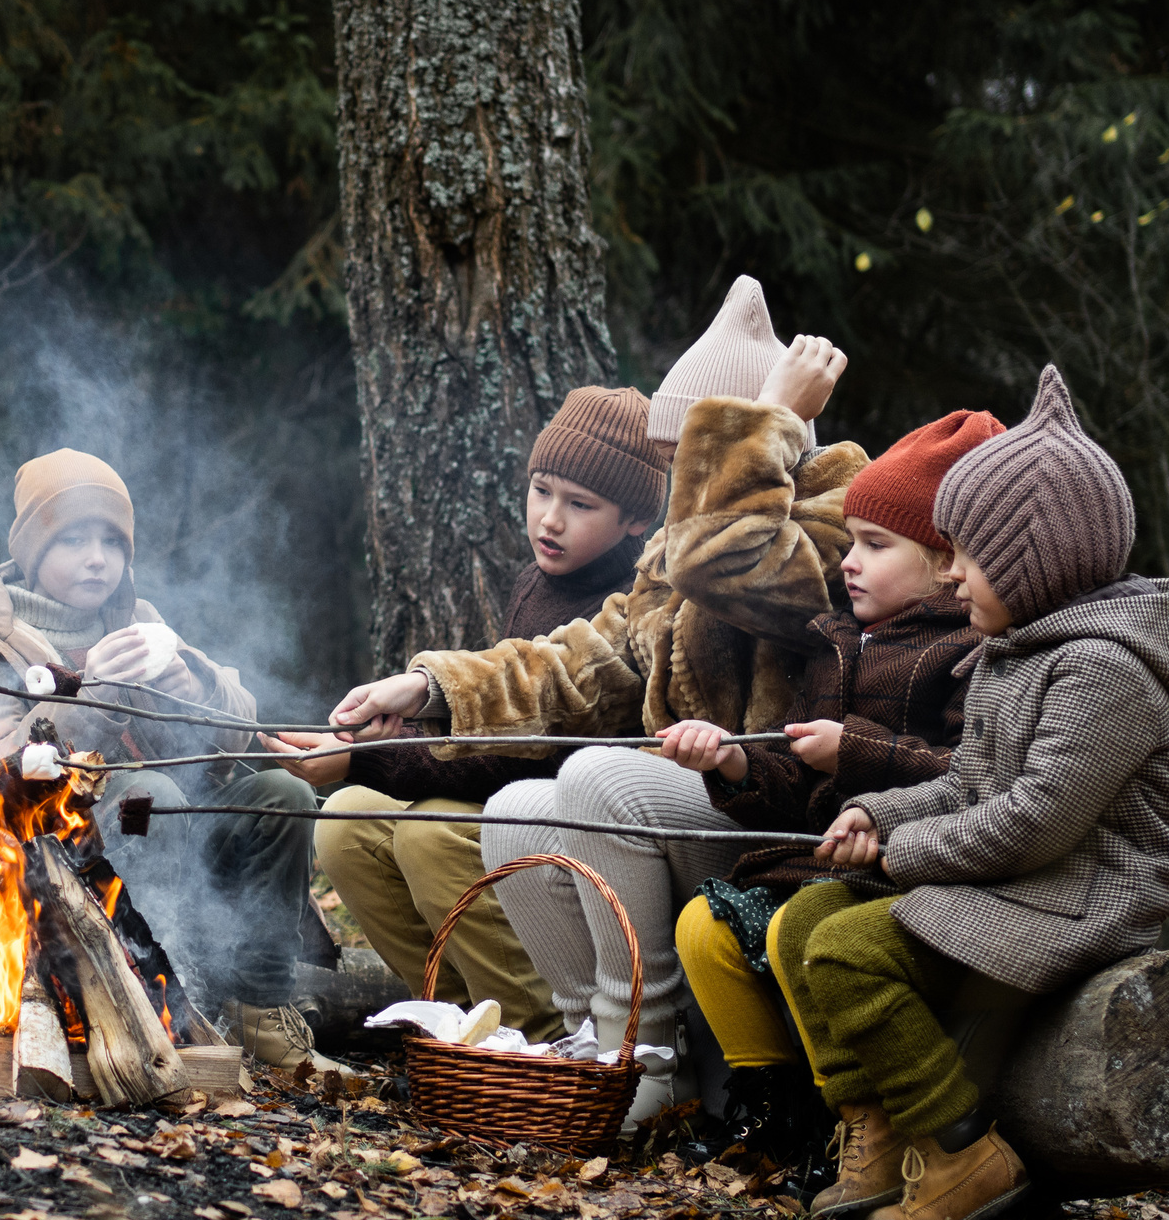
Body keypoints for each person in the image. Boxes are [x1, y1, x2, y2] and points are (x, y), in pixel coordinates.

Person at [329, 276, 860, 1123]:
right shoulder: (680, 543)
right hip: (695, 805)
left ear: (764, 438)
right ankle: (600, 1047)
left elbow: (725, 560)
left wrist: (772, 415)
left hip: (777, 818)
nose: (680, 479)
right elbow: (585, 661)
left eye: (694, 454)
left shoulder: (834, 516)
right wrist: (431, 687)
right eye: (681, 459)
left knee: (598, 779)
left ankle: (646, 1053)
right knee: (519, 810)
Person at [783, 366, 1169, 1220]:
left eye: (966, 555)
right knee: (807, 918)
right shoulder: (1014, 650)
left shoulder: (1104, 669)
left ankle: (961, 1149)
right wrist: (882, 814)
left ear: (1035, 562)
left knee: (848, 948)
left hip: (1079, 892)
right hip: (1019, 878)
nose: (950, 574)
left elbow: (1035, 819)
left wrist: (902, 854)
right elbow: (968, 783)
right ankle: (878, 1132)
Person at [0, 449, 345, 1074]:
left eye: (112, 541)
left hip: (180, 840)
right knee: (149, 795)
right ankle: (161, 1003)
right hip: (57, 865)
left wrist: (194, 683)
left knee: (282, 795)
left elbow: (236, 729)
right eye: (74, 539)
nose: (97, 558)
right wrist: (89, 694)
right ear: (32, 551)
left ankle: (260, 1008)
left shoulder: (138, 621)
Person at [663, 408, 1005, 1177]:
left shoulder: (969, 652)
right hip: (817, 861)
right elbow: (794, 788)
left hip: (900, 871)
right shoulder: (837, 643)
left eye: (875, 545)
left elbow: (967, 774)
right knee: (704, 928)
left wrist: (854, 749)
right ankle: (774, 1110)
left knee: (800, 931)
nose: (849, 562)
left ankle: (850, 1116)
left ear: (946, 559)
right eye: (850, 541)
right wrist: (735, 765)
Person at [273, 387, 666, 1042]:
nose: (550, 520)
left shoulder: (632, 605)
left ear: (636, 520)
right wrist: (390, 734)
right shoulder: (535, 582)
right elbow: (494, 728)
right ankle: (458, 1031)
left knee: (429, 835)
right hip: (512, 798)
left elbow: (523, 758)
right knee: (346, 822)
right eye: (542, 491)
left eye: (580, 504)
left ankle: (540, 1037)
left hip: (583, 833)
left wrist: (365, 759)